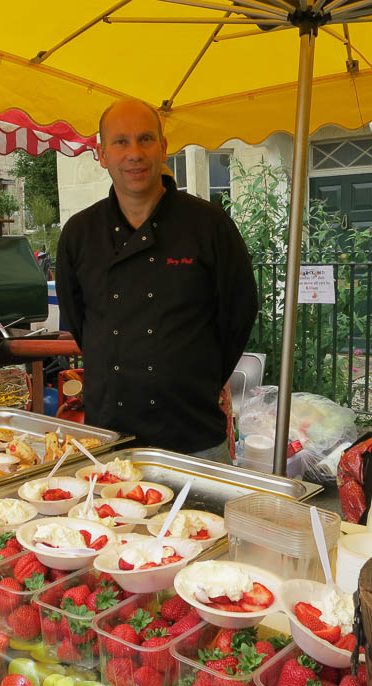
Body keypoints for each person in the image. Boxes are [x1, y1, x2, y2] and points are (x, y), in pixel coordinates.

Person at [56, 98, 258, 461]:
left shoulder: (208, 225)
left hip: (193, 433)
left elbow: (239, 312)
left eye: (145, 139)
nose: (134, 153)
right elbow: (81, 322)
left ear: (163, 148)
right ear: (101, 154)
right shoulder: (79, 233)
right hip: (109, 437)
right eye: (120, 142)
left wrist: (195, 376)